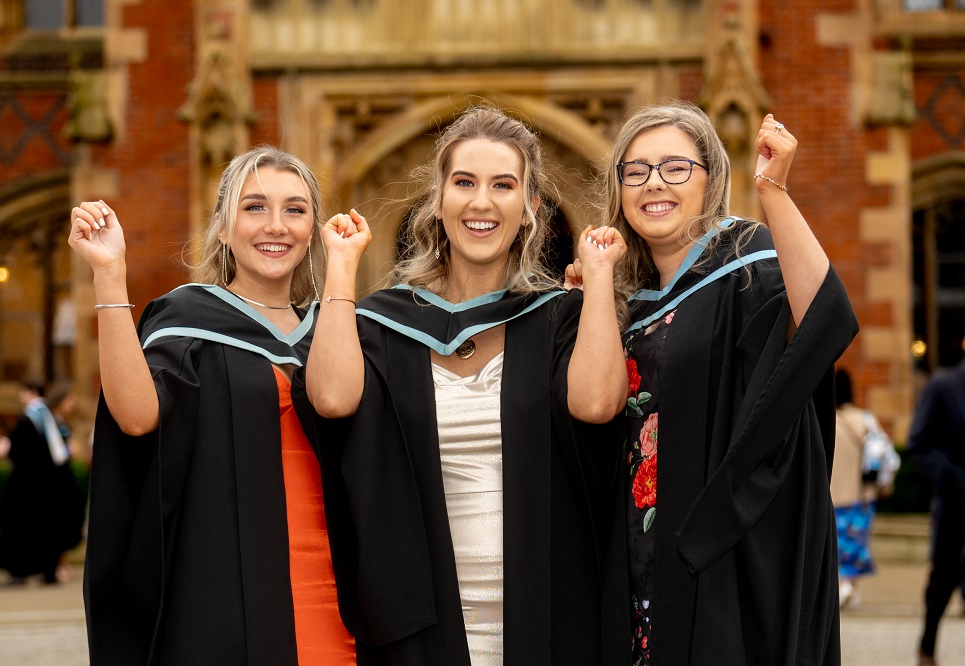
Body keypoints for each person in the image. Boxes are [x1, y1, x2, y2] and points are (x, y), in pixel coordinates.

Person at [298, 106, 629, 663]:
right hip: (419, 620)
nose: (482, 202)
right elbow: (330, 398)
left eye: (503, 185)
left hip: (546, 614)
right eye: (464, 182)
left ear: (531, 207)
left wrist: (597, 282)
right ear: (438, 200)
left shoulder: (557, 320)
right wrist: (340, 269)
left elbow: (598, 404)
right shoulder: (383, 325)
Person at [569, 101, 858, 664]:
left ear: (711, 179)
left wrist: (773, 190)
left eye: (676, 167)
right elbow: (593, 407)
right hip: (639, 548)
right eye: (636, 170)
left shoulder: (748, 265)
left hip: (726, 550)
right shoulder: (627, 298)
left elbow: (826, 318)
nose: (655, 183)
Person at [69, 146, 356, 664]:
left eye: (295, 209)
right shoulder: (188, 321)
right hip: (225, 593)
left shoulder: (336, 330)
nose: (276, 225)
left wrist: (342, 274)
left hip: (337, 588)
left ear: (313, 230)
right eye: (254, 207)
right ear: (223, 228)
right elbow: (136, 417)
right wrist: (109, 274)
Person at [0, 382, 83, 586]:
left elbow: (23, 451)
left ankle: (19, 573)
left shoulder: (30, 417)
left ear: (31, 392)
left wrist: (8, 448)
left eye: (22, 392)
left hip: (25, 485)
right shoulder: (46, 416)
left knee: (20, 528)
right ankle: (48, 571)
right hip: (46, 485)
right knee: (44, 527)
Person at [908, 335, 965, 666]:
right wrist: (954, 480)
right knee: (943, 580)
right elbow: (919, 442)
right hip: (955, 504)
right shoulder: (943, 387)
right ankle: (927, 647)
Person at [832, 368, 896, 608]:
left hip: (833, 494)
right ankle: (851, 587)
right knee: (856, 543)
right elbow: (883, 454)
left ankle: (842, 587)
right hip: (861, 494)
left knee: (835, 543)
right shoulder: (865, 419)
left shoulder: (824, 419)